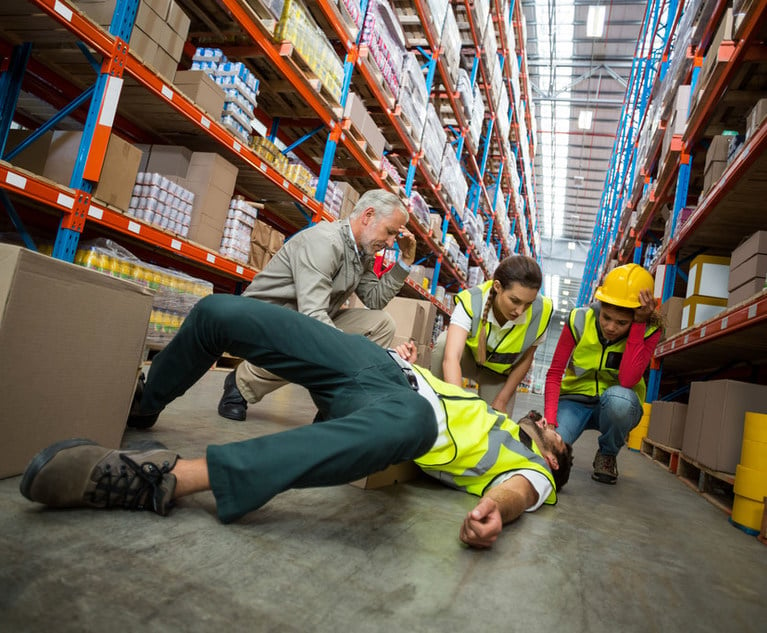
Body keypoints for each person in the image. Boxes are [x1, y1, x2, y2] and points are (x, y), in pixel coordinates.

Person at [21, 294, 572, 549]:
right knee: (221, 313)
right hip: (381, 369)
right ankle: (143, 406)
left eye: (556, 435)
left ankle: (163, 479)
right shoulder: (493, 412)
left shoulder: (531, 468)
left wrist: (492, 513)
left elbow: (519, 493)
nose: (549, 422)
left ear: (553, 457)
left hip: (402, 416)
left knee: (410, 422)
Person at [214, 188, 416, 422]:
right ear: (368, 215)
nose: (391, 242)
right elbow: (313, 316)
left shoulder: (362, 252)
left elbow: (375, 299)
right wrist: (352, 353)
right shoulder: (324, 242)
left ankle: (338, 401)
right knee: (320, 343)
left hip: (303, 319)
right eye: (390, 232)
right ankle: (241, 382)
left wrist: (404, 262)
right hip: (265, 321)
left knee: (381, 324)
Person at [544, 263, 663, 484]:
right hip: (574, 401)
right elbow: (554, 373)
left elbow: (628, 379)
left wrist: (637, 326)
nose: (610, 327)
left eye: (621, 323)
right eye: (606, 317)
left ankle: (607, 454)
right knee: (551, 455)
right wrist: (550, 423)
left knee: (619, 400)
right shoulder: (579, 319)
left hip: (619, 404)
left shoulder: (649, 331)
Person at [430, 255, 553, 414]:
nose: (520, 310)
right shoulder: (472, 301)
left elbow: (526, 359)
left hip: (499, 376)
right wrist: (458, 404)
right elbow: (451, 357)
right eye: (514, 300)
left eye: (528, 303)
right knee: (443, 343)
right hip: (469, 360)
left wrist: (501, 400)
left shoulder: (541, 312)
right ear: (497, 286)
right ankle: (436, 405)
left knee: (496, 424)